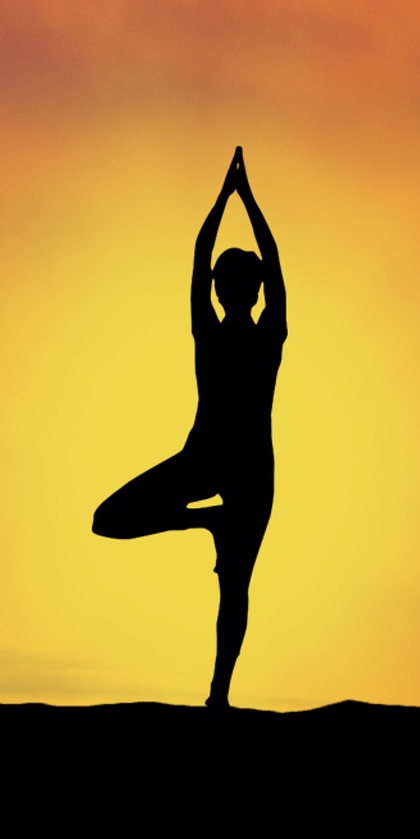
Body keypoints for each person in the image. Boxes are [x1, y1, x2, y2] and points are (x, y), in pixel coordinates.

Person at [92, 147, 287, 707]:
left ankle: (218, 697)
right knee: (107, 519)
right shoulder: (226, 331)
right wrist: (239, 199)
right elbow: (210, 259)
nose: (229, 291)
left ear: (242, 291)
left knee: (236, 589)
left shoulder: (264, 334)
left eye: (235, 284)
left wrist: (233, 197)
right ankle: (205, 523)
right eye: (226, 285)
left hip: (248, 472)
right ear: (226, 291)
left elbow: (257, 262)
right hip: (204, 461)